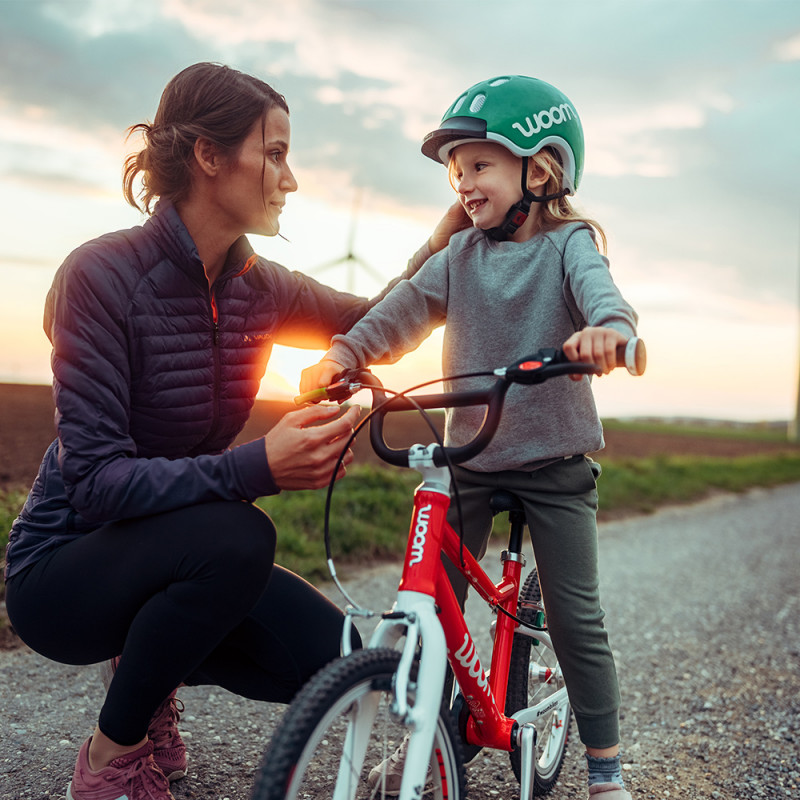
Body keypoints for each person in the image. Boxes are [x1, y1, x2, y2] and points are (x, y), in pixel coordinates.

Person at [2, 62, 466, 800]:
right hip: (63, 574)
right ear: (209, 158)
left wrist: (444, 245)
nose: (290, 177)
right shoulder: (99, 275)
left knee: (337, 661)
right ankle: (109, 757)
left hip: (181, 548)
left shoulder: (263, 286)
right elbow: (92, 483)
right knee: (240, 535)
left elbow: (376, 320)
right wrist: (260, 467)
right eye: (274, 153)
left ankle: (148, 671)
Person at [300, 75, 638, 800]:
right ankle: (436, 730)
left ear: (539, 169)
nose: (462, 183)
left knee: (577, 617)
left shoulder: (570, 245)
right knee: (430, 596)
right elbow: (400, 311)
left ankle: (606, 768)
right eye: (455, 171)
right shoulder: (458, 258)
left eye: (479, 165)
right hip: (472, 456)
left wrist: (608, 331)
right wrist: (345, 354)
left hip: (553, 461)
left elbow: (602, 294)